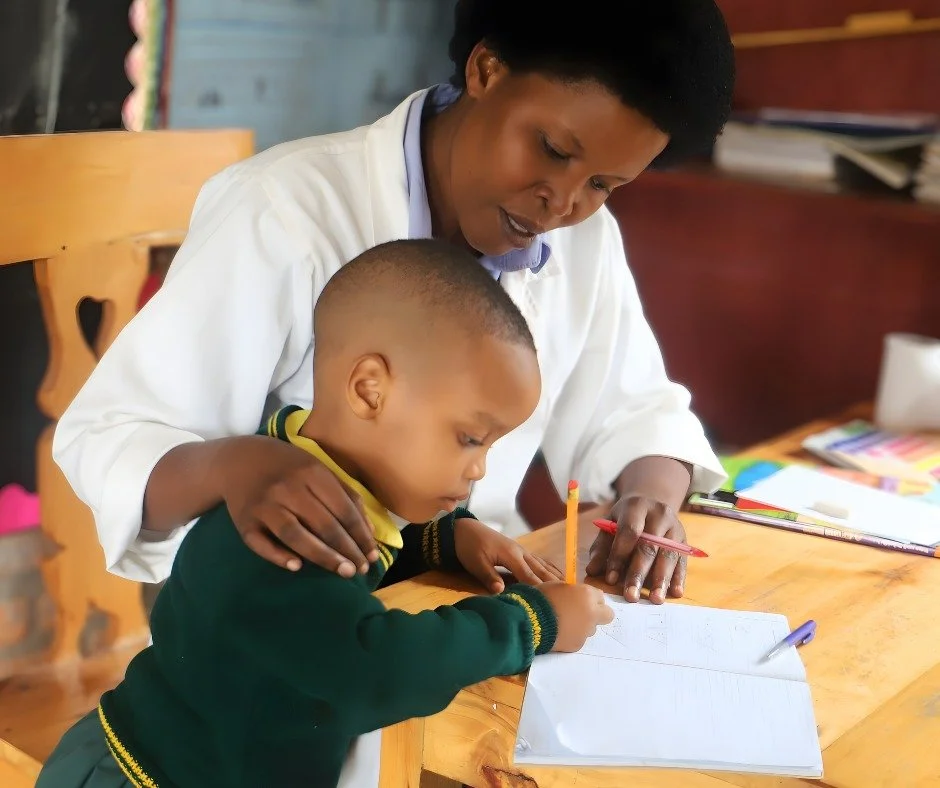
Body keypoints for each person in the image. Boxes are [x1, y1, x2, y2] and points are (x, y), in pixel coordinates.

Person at [54, 0, 734, 602]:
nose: (563, 202)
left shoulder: (582, 241)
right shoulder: (286, 212)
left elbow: (634, 408)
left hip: (475, 592)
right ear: (486, 71)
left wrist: (651, 495)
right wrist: (236, 465)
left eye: (605, 185)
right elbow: (110, 440)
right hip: (298, 628)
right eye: (553, 149)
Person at [36, 239, 615, 788]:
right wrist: (533, 622)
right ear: (369, 390)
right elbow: (378, 670)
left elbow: (359, 547)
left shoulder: (315, 482)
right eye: (469, 438)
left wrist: (448, 539)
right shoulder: (281, 534)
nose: (479, 471)